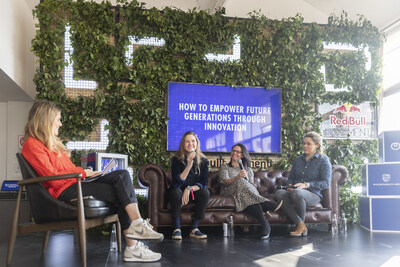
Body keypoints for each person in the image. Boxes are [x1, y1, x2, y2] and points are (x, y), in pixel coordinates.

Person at [21, 101, 164, 262]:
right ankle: (133, 247)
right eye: (58, 119)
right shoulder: (32, 145)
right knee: (121, 191)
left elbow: (65, 170)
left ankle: (137, 226)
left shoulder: (52, 144)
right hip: (63, 191)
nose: (60, 124)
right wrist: (83, 172)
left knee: (122, 175)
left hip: (74, 184)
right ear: (46, 119)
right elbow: (52, 176)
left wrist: (87, 174)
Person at [219, 143, 282, 239]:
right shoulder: (225, 166)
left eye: (238, 152)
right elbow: (224, 182)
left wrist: (245, 180)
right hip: (228, 191)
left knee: (246, 194)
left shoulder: (248, 169)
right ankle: (265, 204)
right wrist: (237, 177)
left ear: (243, 155)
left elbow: (252, 186)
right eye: (233, 151)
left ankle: (264, 224)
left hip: (244, 194)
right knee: (240, 181)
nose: (234, 153)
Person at [275, 131, 332, 237]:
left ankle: (301, 228)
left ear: (317, 145)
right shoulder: (298, 160)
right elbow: (291, 177)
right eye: (304, 143)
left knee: (297, 193)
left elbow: (325, 183)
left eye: (308, 143)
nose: (305, 146)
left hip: (313, 194)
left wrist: (306, 185)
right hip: (295, 191)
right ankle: (300, 224)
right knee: (279, 193)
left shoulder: (323, 161)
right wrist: (290, 186)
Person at [167, 131, 210, 240]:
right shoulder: (176, 159)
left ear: (197, 143)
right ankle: (177, 228)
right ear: (183, 144)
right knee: (176, 191)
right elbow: (177, 182)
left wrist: (189, 188)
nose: (190, 144)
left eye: (193, 141)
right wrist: (189, 164)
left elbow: (204, 183)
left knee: (205, 192)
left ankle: (194, 228)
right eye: (187, 141)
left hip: (193, 192)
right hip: (178, 191)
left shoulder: (204, 161)